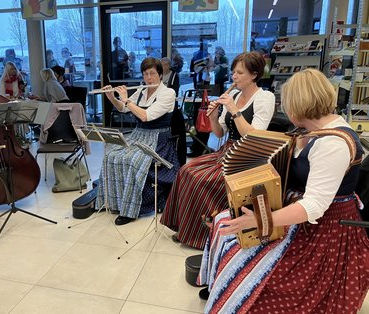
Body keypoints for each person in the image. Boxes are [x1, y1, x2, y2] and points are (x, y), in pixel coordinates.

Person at [198, 68, 369, 313]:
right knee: (223, 224)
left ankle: (236, 291)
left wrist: (260, 219)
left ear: (297, 105)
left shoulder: (333, 143)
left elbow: (314, 206)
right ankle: (222, 285)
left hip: (322, 229)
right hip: (296, 212)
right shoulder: (313, 130)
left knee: (239, 248)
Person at [161, 51, 275, 249]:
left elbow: (254, 136)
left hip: (248, 156)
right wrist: (213, 116)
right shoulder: (234, 94)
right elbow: (219, 131)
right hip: (227, 150)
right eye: (233, 72)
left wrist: (234, 110)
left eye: (240, 73)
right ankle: (186, 227)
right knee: (187, 170)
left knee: (201, 179)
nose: (234, 77)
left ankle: (204, 234)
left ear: (254, 75)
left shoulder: (264, 97)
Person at [96, 57, 180, 225]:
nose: (149, 78)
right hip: (138, 134)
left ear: (160, 74)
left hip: (157, 138)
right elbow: (123, 108)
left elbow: (145, 116)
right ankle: (113, 202)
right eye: (145, 74)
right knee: (111, 156)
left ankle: (131, 209)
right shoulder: (142, 90)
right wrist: (111, 96)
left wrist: (126, 99)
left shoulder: (168, 93)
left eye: (152, 73)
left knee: (134, 161)